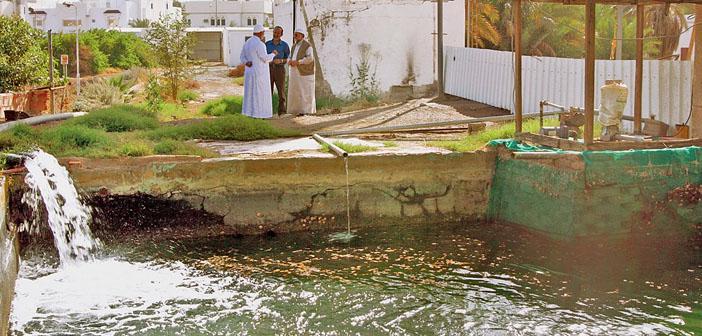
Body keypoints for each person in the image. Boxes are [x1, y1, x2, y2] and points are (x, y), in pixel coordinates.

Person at [240, 24, 277, 119]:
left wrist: (246, 62)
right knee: (260, 94)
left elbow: (242, 56)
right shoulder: (260, 44)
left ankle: (249, 113)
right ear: (260, 33)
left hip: (249, 72)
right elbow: (265, 58)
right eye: (263, 33)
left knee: (250, 93)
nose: (263, 35)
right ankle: (260, 114)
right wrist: (273, 54)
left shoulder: (247, 42)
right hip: (259, 74)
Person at [287, 27, 316, 116]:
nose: (295, 36)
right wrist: (290, 61)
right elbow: (290, 56)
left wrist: (298, 62)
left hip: (304, 72)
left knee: (305, 91)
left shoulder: (307, 45)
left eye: (297, 34)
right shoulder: (294, 46)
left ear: (302, 35)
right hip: (294, 72)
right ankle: (296, 110)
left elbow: (310, 58)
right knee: (295, 91)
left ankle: (306, 111)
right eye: (295, 34)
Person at [265, 26, 290, 116]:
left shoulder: (285, 45)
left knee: (281, 91)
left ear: (281, 34)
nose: (276, 34)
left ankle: (282, 112)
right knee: (268, 91)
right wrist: (271, 60)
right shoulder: (267, 44)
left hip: (280, 70)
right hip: (268, 69)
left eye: (278, 33)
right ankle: (268, 112)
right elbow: (263, 57)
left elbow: (287, 58)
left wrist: (281, 61)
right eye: (275, 32)